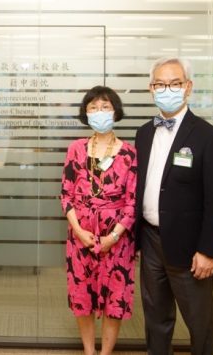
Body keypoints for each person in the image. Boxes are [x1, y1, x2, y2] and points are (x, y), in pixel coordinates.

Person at [135, 57, 213, 355]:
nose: (167, 90)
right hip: (151, 241)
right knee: (156, 319)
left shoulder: (209, 137)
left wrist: (208, 250)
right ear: (151, 89)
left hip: (191, 249)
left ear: (188, 87)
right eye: (160, 84)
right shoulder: (145, 133)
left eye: (174, 83)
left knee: (199, 323)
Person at [60, 85, 137, 355]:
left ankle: (105, 353)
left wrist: (113, 236)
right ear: (85, 113)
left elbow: (132, 202)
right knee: (82, 297)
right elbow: (66, 195)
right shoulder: (76, 149)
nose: (99, 112)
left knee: (114, 299)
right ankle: (89, 351)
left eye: (105, 107)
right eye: (93, 108)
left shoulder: (129, 153)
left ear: (115, 112)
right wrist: (79, 231)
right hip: (80, 236)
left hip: (117, 239)